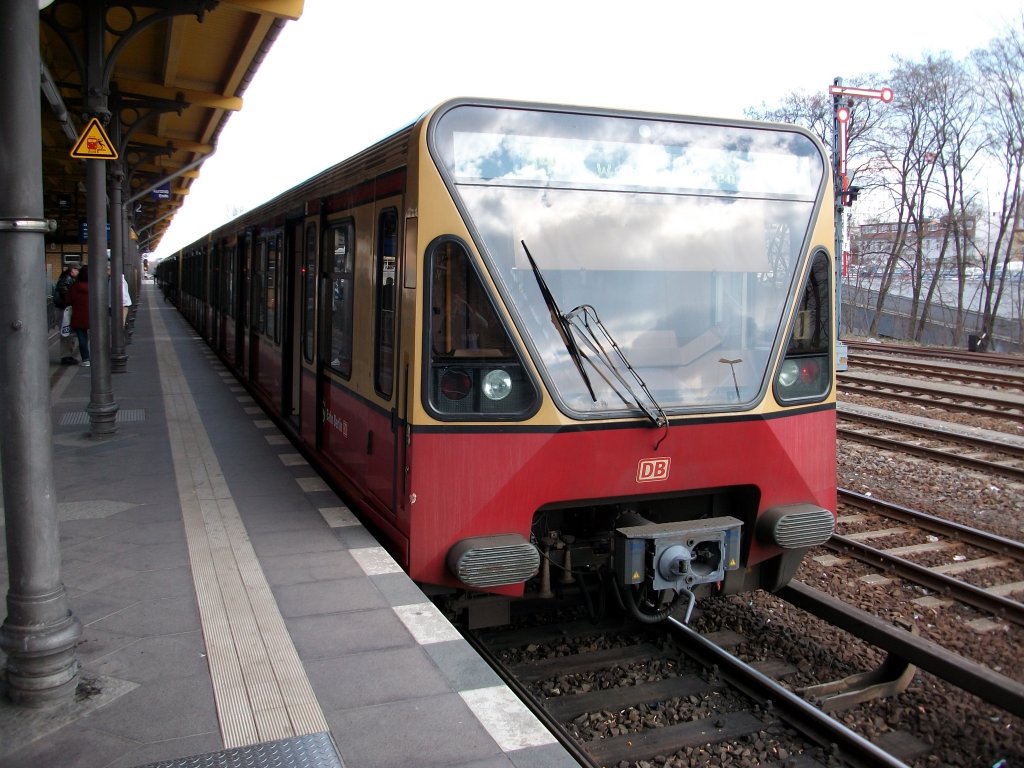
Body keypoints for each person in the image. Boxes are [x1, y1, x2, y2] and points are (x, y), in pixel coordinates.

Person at [54, 263, 80, 364]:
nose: (77, 272)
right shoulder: (67, 279)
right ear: (71, 270)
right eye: (76, 270)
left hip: (63, 308)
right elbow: (64, 291)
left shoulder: (66, 278)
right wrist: (71, 299)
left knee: (67, 332)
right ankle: (66, 356)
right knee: (66, 332)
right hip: (64, 309)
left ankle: (67, 355)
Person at [67, 266, 91, 367]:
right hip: (94, 315)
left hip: (79, 316)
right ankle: (99, 356)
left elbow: (68, 300)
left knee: (82, 338)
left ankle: (86, 359)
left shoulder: (75, 287)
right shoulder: (95, 286)